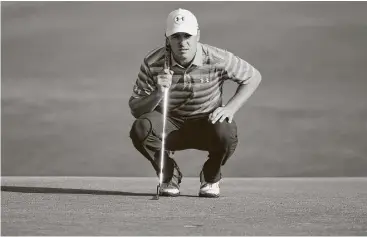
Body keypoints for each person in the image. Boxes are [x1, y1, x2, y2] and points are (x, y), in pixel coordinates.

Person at [129, 8, 261, 198]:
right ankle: (168, 174)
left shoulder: (217, 58)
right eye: (176, 36)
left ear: (197, 35)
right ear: (167, 39)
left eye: (187, 36)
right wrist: (158, 93)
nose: (182, 42)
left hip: (207, 125)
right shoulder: (153, 62)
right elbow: (135, 109)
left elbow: (253, 76)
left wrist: (231, 108)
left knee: (227, 129)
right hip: (170, 126)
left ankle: (210, 177)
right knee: (141, 128)